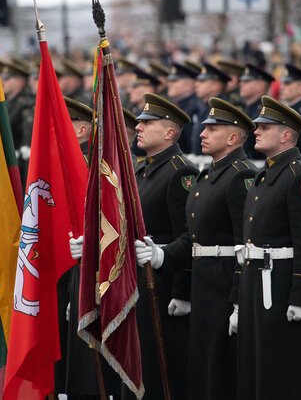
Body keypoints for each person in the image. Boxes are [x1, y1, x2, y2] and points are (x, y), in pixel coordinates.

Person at [143, 97, 256, 400]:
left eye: (212, 129)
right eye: (204, 128)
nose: (202, 134)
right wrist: (162, 255)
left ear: (233, 137)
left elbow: (243, 245)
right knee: (203, 371)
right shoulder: (209, 174)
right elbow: (192, 238)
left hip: (221, 285)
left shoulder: (241, 175)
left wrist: (238, 300)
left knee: (221, 372)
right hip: (204, 285)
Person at [237, 95, 301, 400]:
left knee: (289, 369)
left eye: (265, 126)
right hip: (259, 285)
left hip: (282, 285)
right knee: (263, 366)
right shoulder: (264, 176)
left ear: (286, 134)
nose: (256, 130)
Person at [128, 93, 197, 400]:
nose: (138, 126)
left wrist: (182, 292)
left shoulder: (180, 172)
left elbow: (188, 236)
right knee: (139, 366)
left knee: (162, 373)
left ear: (169, 132)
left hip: (163, 286)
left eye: (147, 122)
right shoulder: (144, 170)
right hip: (140, 282)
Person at [64, 97, 120, 398]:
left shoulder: (92, 167)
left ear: (84, 130)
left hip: (91, 264)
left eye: (68, 122)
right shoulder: (62, 163)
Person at [239, 63, 275, 160]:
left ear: (260, 85)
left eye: (247, 81)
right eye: (242, 80)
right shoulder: (247, 109)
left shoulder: (264, 112)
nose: (241, 83)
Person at [165, 61, 200, 154]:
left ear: (190, 84)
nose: (170, 84)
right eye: (170, 81)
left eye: (175, 81)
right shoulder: (179, 105)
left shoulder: (194, 107)